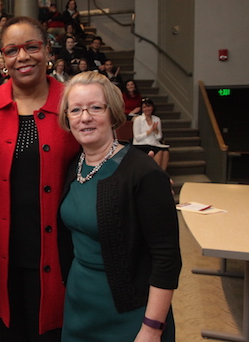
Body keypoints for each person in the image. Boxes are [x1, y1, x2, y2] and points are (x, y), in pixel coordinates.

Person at [0, 16, 80, 341]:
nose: (23, 57)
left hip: (62, 258)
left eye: (32, 47)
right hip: (3, 257)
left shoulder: (72, 103)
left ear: (47, 50)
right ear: (2, 58)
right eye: (12, 50)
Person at [58, 72, 181, 341]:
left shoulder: (144, 173)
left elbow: (166, 258)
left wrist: (151, 327)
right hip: (79, 307)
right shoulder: (74, 165)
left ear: (113, 114)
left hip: (130, 311)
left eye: (95, 108)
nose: (85, 117)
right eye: (76, 109)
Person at [132, 98, 170, 171]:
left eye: (149, 106)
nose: (147, 109)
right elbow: (137, 137)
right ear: (142, 109)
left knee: (166, 152)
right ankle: (156, 175)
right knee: (159, 152)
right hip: (140, 144)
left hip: (154, 144)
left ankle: (162, 175)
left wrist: (155, 131)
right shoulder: (138, 119)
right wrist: (150, 131)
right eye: (144, 107)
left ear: (152, 107)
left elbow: (159, 137)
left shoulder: (157, 119)